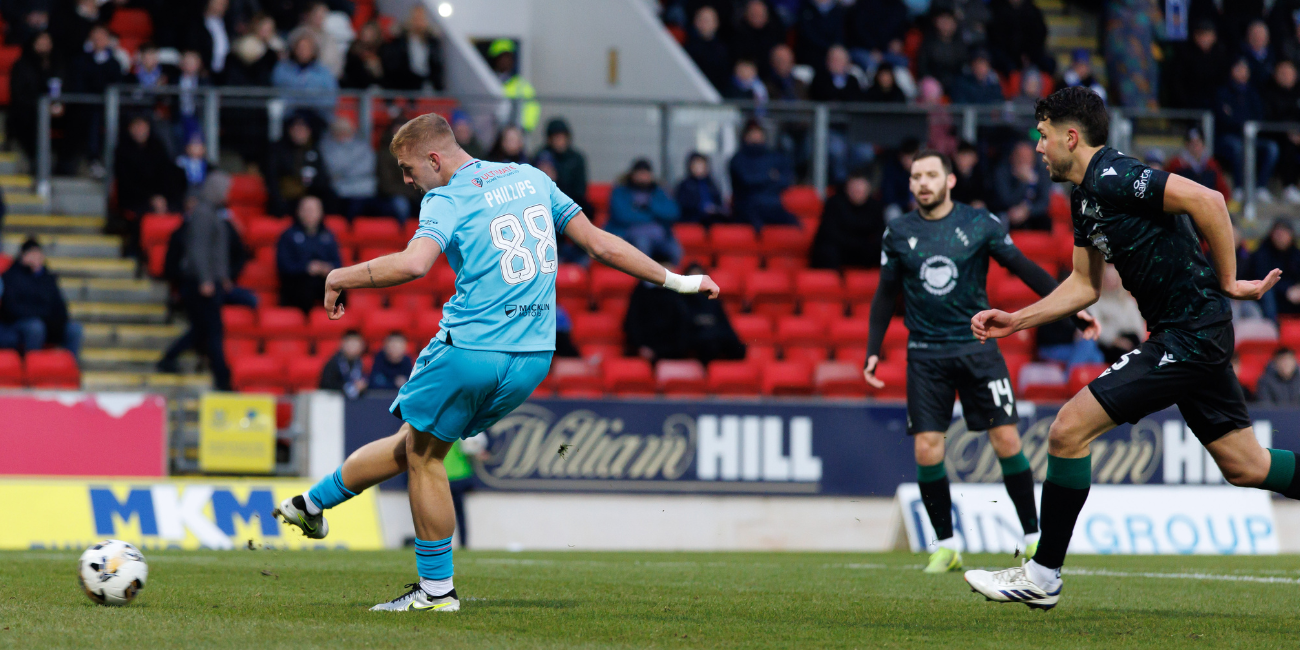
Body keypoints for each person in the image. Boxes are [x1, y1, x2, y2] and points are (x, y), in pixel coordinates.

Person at [271, 112, 720, 612]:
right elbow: (599, 243)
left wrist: (340, 276)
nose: (406, 178)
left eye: (407, 167)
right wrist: (680, 281)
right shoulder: (531, 177)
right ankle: (311, 505)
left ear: (434, 158)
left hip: (471, 351)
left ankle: (436, 593)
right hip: (532, 358)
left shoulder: (444, 197)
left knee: (424, 458)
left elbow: (414, 263)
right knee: (415, 445)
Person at [965, 87, 1294, 610]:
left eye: (1043, 136)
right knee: (1246, 466)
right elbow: (1083, 285)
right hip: (1185, 332)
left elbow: (1207, 200)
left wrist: (1229, 279)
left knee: (1067, 430)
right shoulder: (1084, 198)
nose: (1039, 147)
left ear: (1071, 137)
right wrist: (1016, 320)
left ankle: (1043, 575)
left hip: (1191, 332)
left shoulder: (1115, 176)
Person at [863, 149, 1098, 575]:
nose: (923, 183)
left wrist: (1072, 307)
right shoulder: (897, 233)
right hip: (925, 355)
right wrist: (873, 349)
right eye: (916, 176)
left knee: (1006, 441)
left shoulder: (979, 224)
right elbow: (884, 294)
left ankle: (1031, 539)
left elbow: (1023, 267)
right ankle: (947, 546)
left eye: (932, 174)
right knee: (927, 448)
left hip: (978, 348)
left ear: (950, 181)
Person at [154, 174, 234, 389]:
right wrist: (206, 279)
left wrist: (222, 276)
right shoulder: (203, 213)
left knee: (202, 329)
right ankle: (222, 378)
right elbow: (198, 250)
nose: (228, 193)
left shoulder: (212, 212)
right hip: (200, 283)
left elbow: (214, 250)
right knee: (211, 330)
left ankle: (169, 359)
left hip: (207, 281)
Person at [0, 238, 82, 359]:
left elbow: (60, 307)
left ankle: (71, 368)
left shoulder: (48, 278)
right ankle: (32, 367)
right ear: (23, 255)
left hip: (47, 323)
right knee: (35, 327)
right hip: (19, 324)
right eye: (32, 254)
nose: (36, 258)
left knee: (74, 329)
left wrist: (53, 319)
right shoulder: (11, 276)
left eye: (38, 254)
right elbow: (11, 309)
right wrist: (40, 316)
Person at [1215, 56, 1278, 203]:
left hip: (1251, 137)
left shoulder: (1253, 94)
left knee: (1272, 148)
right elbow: (1224, 119)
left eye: (1245, 69)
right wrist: (1241, 123)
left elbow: (1259, 116)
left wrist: (1239, 120)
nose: (1242, 72)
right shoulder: (1223, 92)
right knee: (1237, 147)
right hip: (1228, 137)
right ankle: (1239, 187)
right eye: (1239, 69)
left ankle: (1260, 187)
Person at [608, 158, 682, 263]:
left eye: (646, 174)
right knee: (643, 242)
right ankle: (644, 278)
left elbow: (673, 212)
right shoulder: (621, 191)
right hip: (629, 235)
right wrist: (651, 216)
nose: (643, 177)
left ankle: (668, 278)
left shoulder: (659, 192)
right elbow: (623, 216)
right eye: (640, 173)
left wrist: (650, 207)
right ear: (633, 175)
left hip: (660, 236)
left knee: (675, 250)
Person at [810, 168, 885, 270]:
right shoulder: (834, 204)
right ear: (847, 188)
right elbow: (829, 233)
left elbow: (880, 233)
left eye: (861, 191)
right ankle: (831, 282)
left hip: (863, 251)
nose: (857, 193)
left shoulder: (875, 207)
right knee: (826, 251)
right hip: (840, 249)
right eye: (855, 190)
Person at [277, 195, 342, 312]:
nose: (310, 213)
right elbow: (284, 266)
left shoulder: (328, 235)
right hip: (298, 283)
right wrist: (306, 268)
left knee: (340, 287)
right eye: (306, 209)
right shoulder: (288, 235)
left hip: (323, 282)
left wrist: (327, 268)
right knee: (304, 288)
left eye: (313, 210)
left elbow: (338, 263)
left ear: (321, 212)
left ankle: (339, 322)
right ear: (298, 211)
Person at [729, 120, 798, 228]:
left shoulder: (775, 157)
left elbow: (786, 180)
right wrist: (770, 177)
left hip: (774, 207)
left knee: (795, 225)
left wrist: (760, 179)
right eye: (752, 133)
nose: (756, 136)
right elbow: (746, 181)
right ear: (745, 136)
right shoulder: (738, 159)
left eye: (759, 133)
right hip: (747, 208)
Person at [624, 255, 693, 362]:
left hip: (673, 352)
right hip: (646, 350)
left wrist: (678, 349)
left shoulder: (678, 293)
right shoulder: (641, 292)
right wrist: (640, 346)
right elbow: (633, 321)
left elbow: (683, 323)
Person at [114, 115, 184, 218]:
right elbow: (127, 183)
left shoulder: (157, 147)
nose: (140, 130)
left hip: (161, 198)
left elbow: (166, 174)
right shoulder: (123, 151)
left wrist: (162, 197)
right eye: (136, 126)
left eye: (143, 126)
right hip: (135, 200)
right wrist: (151, 198)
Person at [7, 31, 59, 166]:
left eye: (47, 42)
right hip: (28, 110)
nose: (44, 46)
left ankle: (63, 165)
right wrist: (41, 107)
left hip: (54, 111)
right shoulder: (22, 65)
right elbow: (18, 94)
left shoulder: (57, 64)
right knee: (28, 120)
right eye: (40, 42)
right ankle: (36, 162)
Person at [321, 116, 387, 221]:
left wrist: (343, 173)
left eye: (345, 131)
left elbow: (368, 166)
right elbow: (332, 168)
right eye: (339, 131)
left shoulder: (363, 146)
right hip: (341, 191)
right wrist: (354, 168)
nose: (342, 134)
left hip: (366, 190)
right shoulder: (327, 148)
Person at [266, 115, 334, 215]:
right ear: (290, 131)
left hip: (308, 197)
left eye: (303, 130)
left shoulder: (314, 150)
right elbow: (272, 178)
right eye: (296, 129)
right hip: (284, 198)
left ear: (309, 132)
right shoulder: (278, 150)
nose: (299, 133)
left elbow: (322, 178)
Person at [272, 29, 338, 127]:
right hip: (289, 116)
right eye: (300, 48)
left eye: (307, 48)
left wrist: (311, 105)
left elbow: (331, 96)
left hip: (317, 116)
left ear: (313, 50)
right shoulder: (282, 69)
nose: (303, 51)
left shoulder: (324, 71)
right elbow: (276, 91)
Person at [1088, 264, 1145, 363]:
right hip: (1108, 344)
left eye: (1113, 278)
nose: (1111, 282)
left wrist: (1129, 342)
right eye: (1107, 278)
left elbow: (1138, 327)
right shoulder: (1095, 302)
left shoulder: (1128, 302)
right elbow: (1096, 327)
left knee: (1135, 342)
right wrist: (1116, 340)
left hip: (1130, 341)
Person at [381, 4, 445, 92]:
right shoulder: (401, 39)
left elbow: (436, 64)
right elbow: (394, 61)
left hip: (426, 82)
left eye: (421, 19)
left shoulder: (431, 41)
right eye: (415, 18)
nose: (418, 22)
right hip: (404, 81)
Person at [1168, 20, 1229, 110]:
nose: (1204, 39)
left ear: (1214, 37)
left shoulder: (1220, 56)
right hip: (1189, 107)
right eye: (1201, 35)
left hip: (1214, 106)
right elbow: (1177, 82)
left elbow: (1223, 83)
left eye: (1207, 35)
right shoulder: (1185, 55)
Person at [994, 141, 1054, 231]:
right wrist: (1023, 183)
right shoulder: (1003, 173)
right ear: (1013, 157)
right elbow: (1006, 200)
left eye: (1027, 156)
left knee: (1045, 221)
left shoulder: (1042, 174)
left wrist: (1027, 211)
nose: (1023, 160)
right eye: (1020, 156)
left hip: (1032, 214)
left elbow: (1044, 202)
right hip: (1010, 214)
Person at [1246, 219, 1300, 317]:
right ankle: (1273, 327)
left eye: (1284, 233)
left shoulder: (1296, 255)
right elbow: (1261, 280)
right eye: (1278, 234)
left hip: (1292, 299)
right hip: (1269, 298)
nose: (1281, 237)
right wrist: (1286, 290)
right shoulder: (1262, 254)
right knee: (1267, 293)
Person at [539, 118, 590, 216]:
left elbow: (580, 191)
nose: (560, 141)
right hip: (547, 206)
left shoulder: (576, 158)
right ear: (549, 139)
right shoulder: (541, 157)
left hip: (571, 205)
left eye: (562, 137)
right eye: (556, 137)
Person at [987, 0, 1051, 75]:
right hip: (1006, 53)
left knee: (1049, 64)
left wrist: (1028, 54)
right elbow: (996, 37)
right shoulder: (997, 9)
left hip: (1030, 54)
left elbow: (1040, 34)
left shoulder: (1032, 10)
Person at [1165, 127, 1232, 199]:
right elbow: (1166, 188)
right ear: (1186, 145)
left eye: (1197, 143)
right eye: (1192, 143)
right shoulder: (1176, 164)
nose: (1195, 147)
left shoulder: (1211, 165)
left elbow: (1224, 192)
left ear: (1203, 144)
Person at [488, 39, 538, 132]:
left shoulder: (522, 85)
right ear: (495, 60)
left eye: (507, 57)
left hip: (515, 135)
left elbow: (532, 107)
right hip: (491, 133)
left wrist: (524, 128)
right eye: (501, 57)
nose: (504, 61)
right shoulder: (488, 82)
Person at [916, 10, 967, 92]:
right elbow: (922, 67)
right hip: (932, 81)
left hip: (955, 81)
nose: (946, 24)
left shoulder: (960, 44)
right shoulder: (928, 42)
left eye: (949, 21)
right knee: (930, 88)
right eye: (943, 20)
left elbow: (962, 66)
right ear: (936, 22)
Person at [733, 0, 784, 77]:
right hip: (748, 75)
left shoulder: (774, 30)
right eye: (754, 14)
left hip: (772, 73)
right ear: (747, 15)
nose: (757, 17)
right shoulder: (738, 33)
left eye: (760, 14)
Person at [684, 5, 729, 93]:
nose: (704, 23)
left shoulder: (722, 50)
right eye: (701, 20)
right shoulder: (688, 48)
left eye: (707, 20)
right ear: (695, 22)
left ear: (716, 23)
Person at [676, 152, 727, 226]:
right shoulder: (685, 185)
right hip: (694, 219)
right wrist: (702, 208)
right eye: (696, 164)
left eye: (701, 164)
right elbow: (683, 205)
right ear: (690, 166)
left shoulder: (712, 184)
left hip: (713, 218)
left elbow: (719, 202)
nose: (699, 167)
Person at [795, 0, 845, 70]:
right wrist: (829, 49)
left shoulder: (838, 10)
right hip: (812, 54)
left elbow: (840, 34)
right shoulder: (805, 9)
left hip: (833, 51)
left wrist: (835, 48)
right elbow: (808, 35)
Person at [319, 330, 368, 399]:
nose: (353, 346)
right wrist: (347, 386)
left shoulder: (363, 364)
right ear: (342, 344)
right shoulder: (332, 364)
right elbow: (326, 385)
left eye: (356, 343)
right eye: (350, 342)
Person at [342, 20, 385, 89]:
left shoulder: (382, 51)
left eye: (370, 31)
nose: (366, 33)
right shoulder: (354, 49)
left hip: (378, 88)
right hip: (357, 88)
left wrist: (378, 70)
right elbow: (349, 71)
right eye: (365, 30)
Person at [951, 140, 989, 208]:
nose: (965, 159)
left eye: (969, 156)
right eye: (963, 155)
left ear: (975, 158)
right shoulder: (949, 176)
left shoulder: (980, 176)